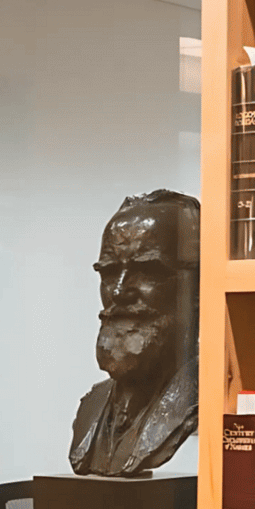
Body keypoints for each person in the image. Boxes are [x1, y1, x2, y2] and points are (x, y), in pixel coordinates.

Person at [69, 189, 199, 477]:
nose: (118, 292)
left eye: (147, 272)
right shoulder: (92, 406)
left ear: (197, 287)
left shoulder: (203, 396)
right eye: (109, 273)